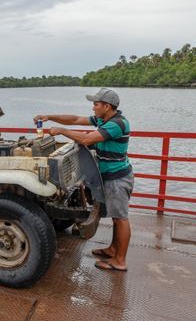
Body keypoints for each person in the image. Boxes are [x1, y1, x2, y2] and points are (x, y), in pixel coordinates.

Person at [34, 88, 133, 272]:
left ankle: (120, 261)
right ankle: (113, 249)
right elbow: (75, 119)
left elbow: (88, 140)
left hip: (117, 178)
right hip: (110, 176)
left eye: (96, 104)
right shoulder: (105, 119)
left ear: (107, 106)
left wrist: (62, 131)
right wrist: (49, 116)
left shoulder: (116, 124)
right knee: (115, 217)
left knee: (120, 219)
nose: (93, 107)